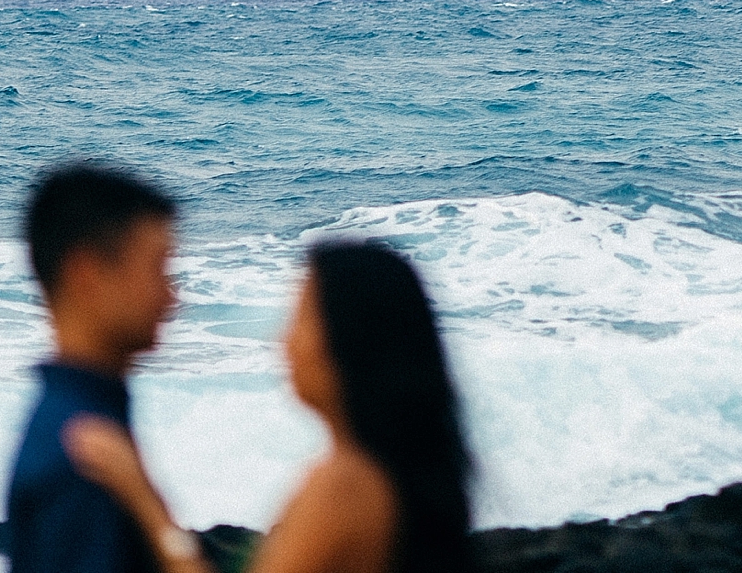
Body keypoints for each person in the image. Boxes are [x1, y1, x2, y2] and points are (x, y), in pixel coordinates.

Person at [68, 237, 472, 573]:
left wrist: (144, 502)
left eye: (299, 319)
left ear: (349, 340)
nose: (283, 341)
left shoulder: (345, 486)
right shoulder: (388, 471)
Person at [7, 162, 185, 573]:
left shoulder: (81, 419)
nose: (172, 297)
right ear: (87, 275)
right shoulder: (82, 457)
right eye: (159, 268)